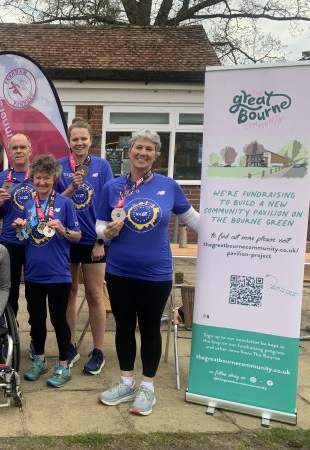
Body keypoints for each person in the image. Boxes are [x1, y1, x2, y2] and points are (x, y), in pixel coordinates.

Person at [95, 129, 199, 416]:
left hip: (156, 273)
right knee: (125, 327)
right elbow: (99, 227)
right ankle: (126, 382)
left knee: (151, 329)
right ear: (130, 151)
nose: (142, 153)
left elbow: (193, 220)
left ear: (156, 154)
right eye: (138, 147)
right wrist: (107, 232)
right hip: (119, 271)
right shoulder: (111, 187)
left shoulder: (169, 186)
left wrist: (231, 233)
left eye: (149, 149)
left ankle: (148, 388)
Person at [13, 155, 81, 388]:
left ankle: (63, 365)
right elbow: (25, 238)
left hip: (59, 273)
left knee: (59, 319)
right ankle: (40, 359)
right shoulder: (29, 204)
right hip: (33, 273)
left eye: (47, 178)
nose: (42, 182)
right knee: (36, 319)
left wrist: (62, 229)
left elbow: (78, 235)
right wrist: (20, 229)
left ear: (54, 179)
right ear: (33, 179)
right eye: (38, 178)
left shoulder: (64, 203)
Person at [58, 118, 114, 375]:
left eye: (84, 139)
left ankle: (99, 350)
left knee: (94, 295)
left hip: (94, 242)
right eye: (75, 139)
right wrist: (71, 187)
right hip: (67, 239)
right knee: (68, 293)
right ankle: (69, 346)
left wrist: (102, 240)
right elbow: (54, 201)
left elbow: (110, 203)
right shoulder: (60, 166)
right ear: (69, 141)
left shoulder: (102, 166)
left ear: (91, 141)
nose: (79, 143)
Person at [0, 133, 36, 315]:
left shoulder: (38, 175)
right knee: (9, 291)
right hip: (10, 242)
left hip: (35, 240)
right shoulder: (3, 177)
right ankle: (11, 332)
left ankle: (36, 337)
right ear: (9, 152)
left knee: (34, 292)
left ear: (30, 150)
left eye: (22, 147)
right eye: (15, 148)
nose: (19, 151)